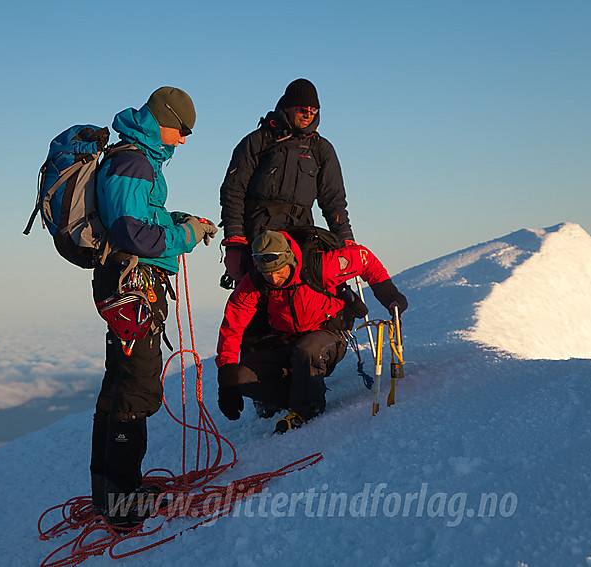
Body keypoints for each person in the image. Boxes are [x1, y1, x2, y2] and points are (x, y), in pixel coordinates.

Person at [90, 86, 217, 527]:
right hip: (133, 289)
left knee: (119, 384)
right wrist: (185, 238)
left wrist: (183, 221)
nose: (182, 140)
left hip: (122, 286)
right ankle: (123, 505)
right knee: (139, 389)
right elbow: (130, 231)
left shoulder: (132, 158)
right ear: (162, 117)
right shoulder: (135, 161)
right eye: (181, 130)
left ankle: (108, 494)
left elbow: (141, 217)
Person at [215, 229, 407, 434]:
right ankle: (306, 390)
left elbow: (364, 259)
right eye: (267, 274)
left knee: (307, 349)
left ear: (289, 260)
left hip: (328, 335)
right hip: (285, 339)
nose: (274, 279)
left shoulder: (320, 265)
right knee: (241, 377)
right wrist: (226, 375)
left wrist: (390, 295)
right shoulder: (255, 280)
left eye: (279, 272)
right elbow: (233, 324)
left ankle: (306, 410)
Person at [219, 78, 355, 287]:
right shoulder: (258, 141)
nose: (308, 114)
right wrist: (235, 242)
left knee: (300, 306)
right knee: (258, 307)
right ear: (288, 107)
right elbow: (233, 192)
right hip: (258, 238)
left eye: (314, 110)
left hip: (301, 241)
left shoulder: (321, 149)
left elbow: (334, 201)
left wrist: (346, 241)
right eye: (302, 109)